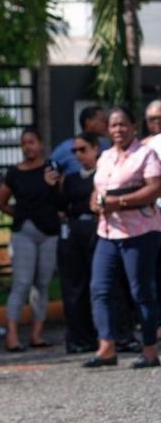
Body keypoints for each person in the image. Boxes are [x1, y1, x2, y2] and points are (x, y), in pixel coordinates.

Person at [84, 107, 161, 369]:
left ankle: (150, 349)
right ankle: (106, 346)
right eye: (114, 126)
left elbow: (154, 189)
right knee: (99, 288)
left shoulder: (145, 154)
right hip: (107, 232)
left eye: (123, 125)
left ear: (134, 126)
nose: (118, 130)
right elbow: (98, 189)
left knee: (141, 291)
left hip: (139, 231)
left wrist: (120, 201)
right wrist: (95, 202)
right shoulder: (104, 157)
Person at [0, 128, 60, 351]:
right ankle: (12, 335)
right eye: (24, 143)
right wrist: (20, 214)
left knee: (42, 284)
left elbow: (61, 201)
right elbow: (1, 202)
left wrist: (53, 185)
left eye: (31, 142)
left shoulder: (51, 168)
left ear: (40, 144)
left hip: (48, 232)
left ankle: (37, 334)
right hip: (24, 232)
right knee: (22, 283)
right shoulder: (14, 172)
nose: (27, 146)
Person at [48, 132, 102, 353]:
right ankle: (80, 338)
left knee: (101, 287)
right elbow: (62, 206)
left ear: (95, 148)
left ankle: (112, 335)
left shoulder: (105, 175)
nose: (78, 155)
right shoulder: (70, 179)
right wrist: (52, 186)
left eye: (83, 149)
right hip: (74, 235)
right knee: (74, 288)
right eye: (75, 151)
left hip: (99, 233)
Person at [50, 106, 108, 176]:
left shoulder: (106, 147)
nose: (106, 124)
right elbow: (50, 166)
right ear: (88, 122)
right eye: (102, 120)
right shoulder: (67, 148)